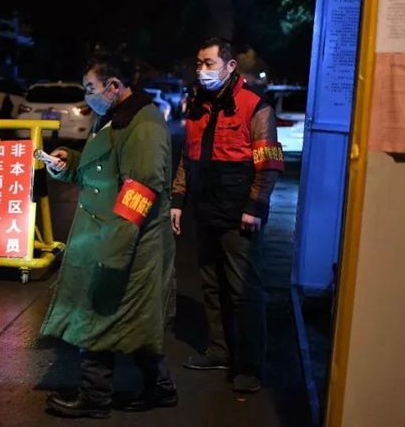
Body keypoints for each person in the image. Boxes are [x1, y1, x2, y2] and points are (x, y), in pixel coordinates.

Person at [39, 57, 177, 418]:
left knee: (101, 314)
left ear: (114, 86)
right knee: (132, 320)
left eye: (91, 88)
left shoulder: (143, 126)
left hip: (127, 240)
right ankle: (160, 388)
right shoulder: (116, 117)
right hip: (112, 234)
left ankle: (95, 396)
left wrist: (113, 251)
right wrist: (69, 162)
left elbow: (140, 190)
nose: (88, 96)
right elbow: (102, 170)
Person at [171, 38, 284, 394]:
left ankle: (249, 366)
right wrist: (178, 199)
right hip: (206, 211)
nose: (201, 70)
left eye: (209, 63)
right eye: (199, 64)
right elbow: (188, 157)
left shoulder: (255, 106)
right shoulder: (198, 105)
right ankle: (220, 351)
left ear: (230, 65)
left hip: (239, 216)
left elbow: (269, 162)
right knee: (211, 285)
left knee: (244, 291)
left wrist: (255, 207)